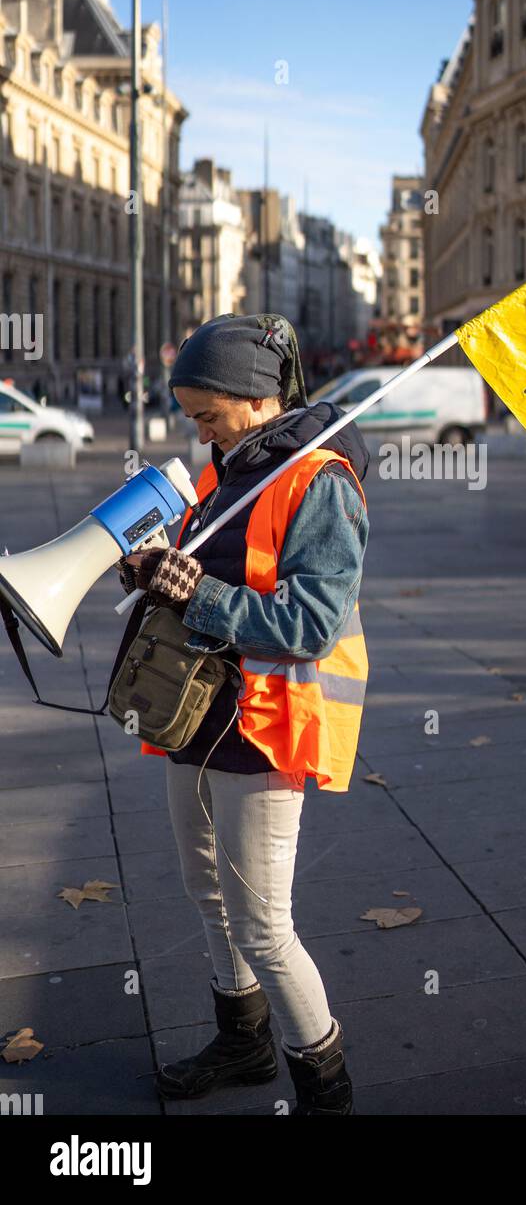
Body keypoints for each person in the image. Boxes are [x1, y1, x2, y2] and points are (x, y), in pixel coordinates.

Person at [116, 313, 370, 1116]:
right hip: (192, 717)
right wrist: (158, 575)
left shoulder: (320, 481)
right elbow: (209, 574)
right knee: (206, 892)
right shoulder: (229, 470)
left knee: (264, 924)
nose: (198, 431)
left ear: (257, 400)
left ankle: (325, 1087)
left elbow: (310, 623)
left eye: (206, 414)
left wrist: (202, 592)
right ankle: (244, 1039)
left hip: (265, 729)